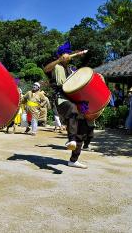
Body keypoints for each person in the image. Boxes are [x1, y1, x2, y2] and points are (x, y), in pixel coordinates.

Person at [43, 41, 88, 169]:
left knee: (82, 131)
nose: (67, 56)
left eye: (68, 54)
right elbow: (46, 69)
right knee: (72, 109)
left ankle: (73, 160)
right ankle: (71, 138)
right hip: (61, 99)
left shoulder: (71, 69)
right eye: (64, 54)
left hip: (75, 99)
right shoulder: (55, 67)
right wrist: (58, 60)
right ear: (60, 56)